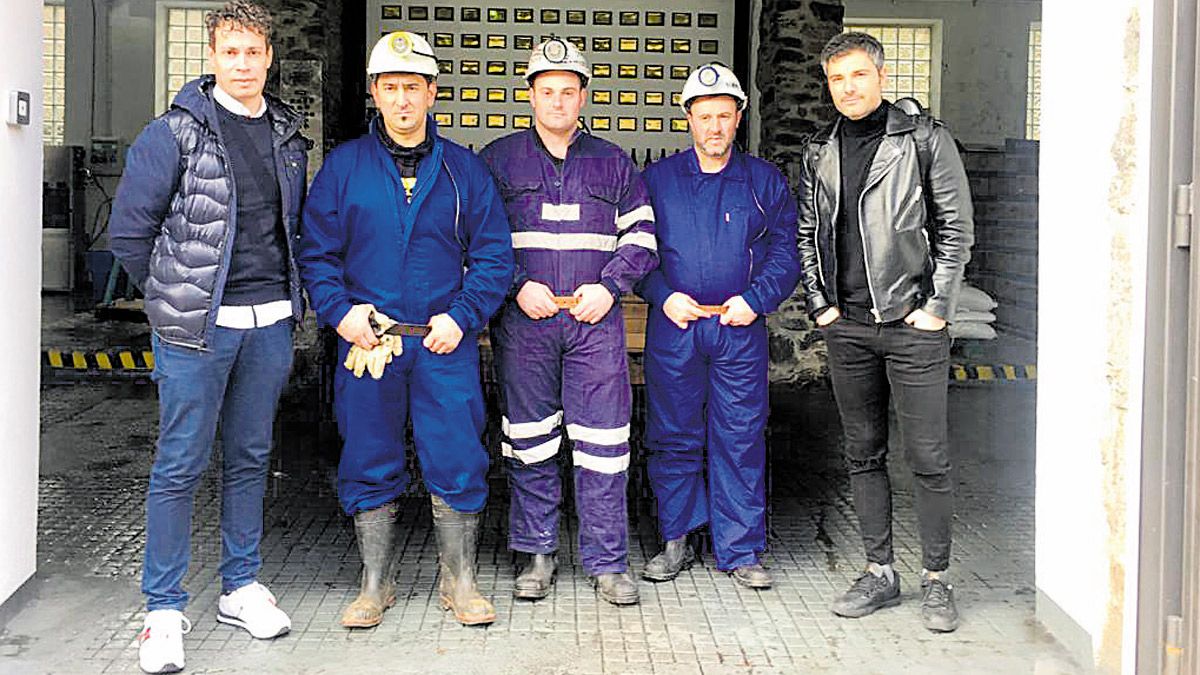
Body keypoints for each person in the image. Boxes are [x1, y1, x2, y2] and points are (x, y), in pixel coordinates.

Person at [109, 1, 306, 671]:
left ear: (269, 58)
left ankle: (240, 586)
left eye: (254, 52)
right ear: (213, 56)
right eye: (231, 52)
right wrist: (170, 302)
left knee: (251, 456)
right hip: (197, 329)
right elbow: (130, 233)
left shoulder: (287, 131)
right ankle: (163, 609)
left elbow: (288, 227)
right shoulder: (173, 132)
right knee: (180, 463)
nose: (243, 64)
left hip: (269, 320)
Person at [296, 30, 513, 628]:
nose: (401, 100)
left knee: (458, 455)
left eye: (412, 87)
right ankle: (376, 582)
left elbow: (495, 256)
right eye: (389, 88)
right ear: (374, 94)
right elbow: (317, 254)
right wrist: (340, 314)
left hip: (443, 341)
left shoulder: (465, 172)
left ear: (432, 93)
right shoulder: (344, 169)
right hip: (372, 343)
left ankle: (459, 580)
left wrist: (462, 317)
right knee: (368, 453)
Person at [797, 32, 974, 632]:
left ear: (881, 75)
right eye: (837, 78)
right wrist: (821, 305)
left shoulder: (924, 139)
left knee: (929, 459)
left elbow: (955, 228)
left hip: (912, 326)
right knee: (862, 455)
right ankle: (880, 573)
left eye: (858, 75)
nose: (848, 88)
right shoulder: (819, 148)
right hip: (848, 327)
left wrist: (937, 308)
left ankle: (937, 579)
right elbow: (806, 234)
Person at [478, 38, 658, 606]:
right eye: (546, 90)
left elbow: (643, 236)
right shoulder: (498, 160)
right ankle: (537, 554)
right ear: (530, 96)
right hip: (526, 320)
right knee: (529, 441)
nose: (557, 100)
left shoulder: (613, 162)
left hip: (593, 320)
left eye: (568, 90)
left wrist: (609, 288)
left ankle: (606, 562)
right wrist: (515, 284)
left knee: (604, 443)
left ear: (584, 97)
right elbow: (476, 239)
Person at [636, 63, 801, 590]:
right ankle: (677, 538)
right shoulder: (656, 181)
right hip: (677, 328)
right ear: (687, 118)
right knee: (673, 434)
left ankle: (741, 548)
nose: (714, 127)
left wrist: (756, 300)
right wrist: (663, 296)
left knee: (740, 435)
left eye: (724, 117)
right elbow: (636, 253)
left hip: (738, 329)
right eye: (704, 116)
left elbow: (786, 252)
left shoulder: (763, 181)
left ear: (739, 118)